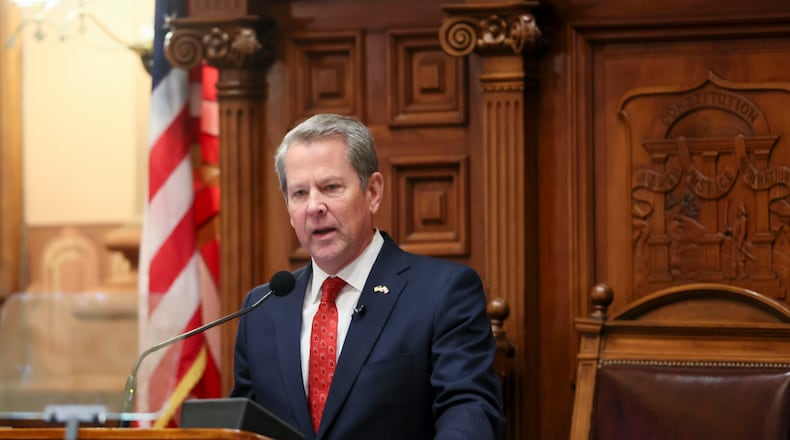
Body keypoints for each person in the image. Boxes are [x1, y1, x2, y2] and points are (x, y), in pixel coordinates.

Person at [229, 113, 505, 439]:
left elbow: (470, 411)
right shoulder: (263, 308)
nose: (314, 206)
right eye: (300, 193)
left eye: (330, 187)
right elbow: (240, 427)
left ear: (372, 192)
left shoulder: (442, 293)